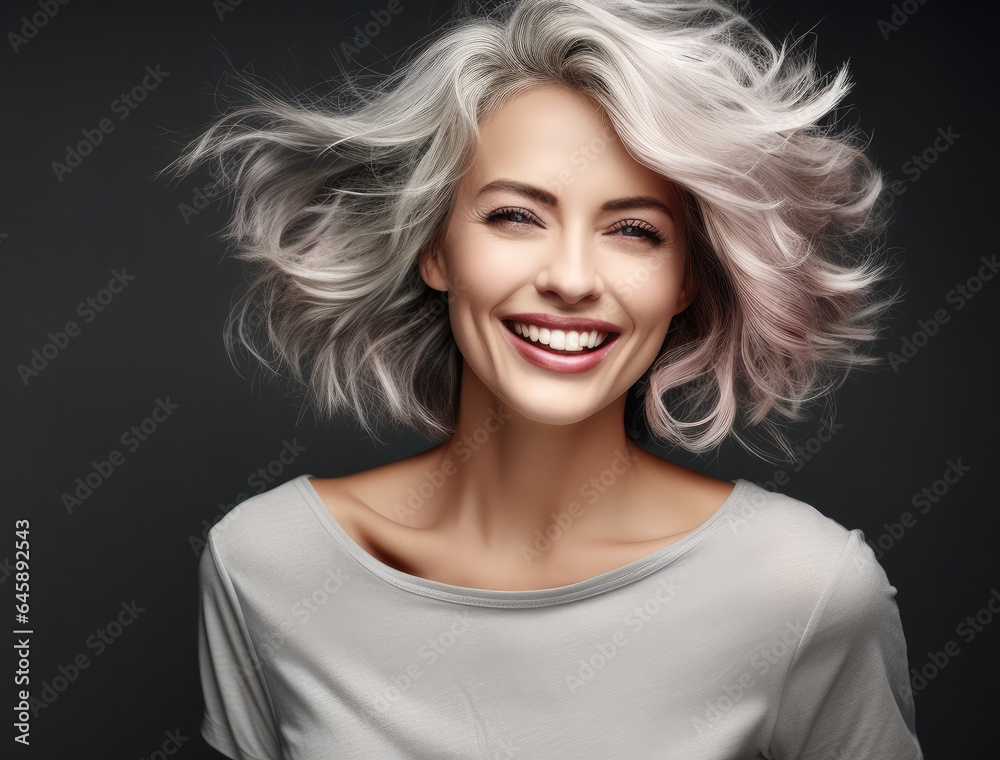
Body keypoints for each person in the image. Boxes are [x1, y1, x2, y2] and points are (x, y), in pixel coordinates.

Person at [173, 0, 923, 757]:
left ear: (686, 282)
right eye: (515, 217)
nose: (570, 278)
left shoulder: (805, 590)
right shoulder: (267, 567)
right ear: (435, 249)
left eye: (633, 230)